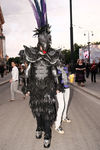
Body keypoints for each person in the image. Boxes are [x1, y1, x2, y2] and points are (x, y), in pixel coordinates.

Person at [55, 62, 71, 134]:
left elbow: (67, 76)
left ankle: (64, 117)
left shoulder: (65, 66)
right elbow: (53, 78)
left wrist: (69, 78)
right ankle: (57, 125)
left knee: (66, 103)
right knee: (62, 106)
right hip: (60, 89)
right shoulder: (55, 67)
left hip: (67, 87)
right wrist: (56, 88)